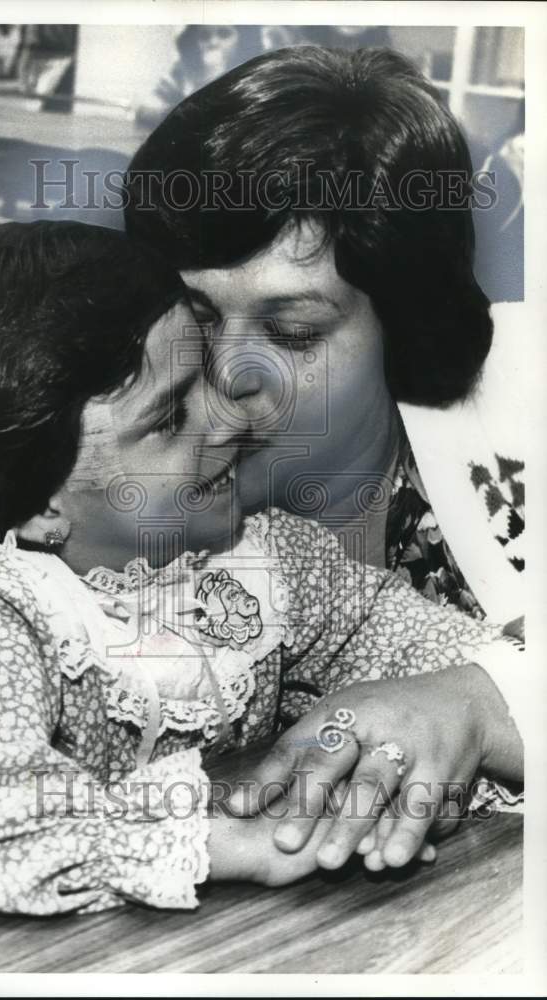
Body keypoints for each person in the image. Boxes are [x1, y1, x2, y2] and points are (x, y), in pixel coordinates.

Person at [0, 221, 522, 915]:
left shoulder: (265, 560)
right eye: (170, 419)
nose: (232, 419)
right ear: (40, 508)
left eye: (205, 377)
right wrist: (213, 840)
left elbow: (461, 663)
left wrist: (462, 707)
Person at [124, 45, 526, 625]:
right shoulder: (100, 496)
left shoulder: (523, 398)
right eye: (197, 316)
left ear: (403, 324)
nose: (226, 372)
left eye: (292, 333)